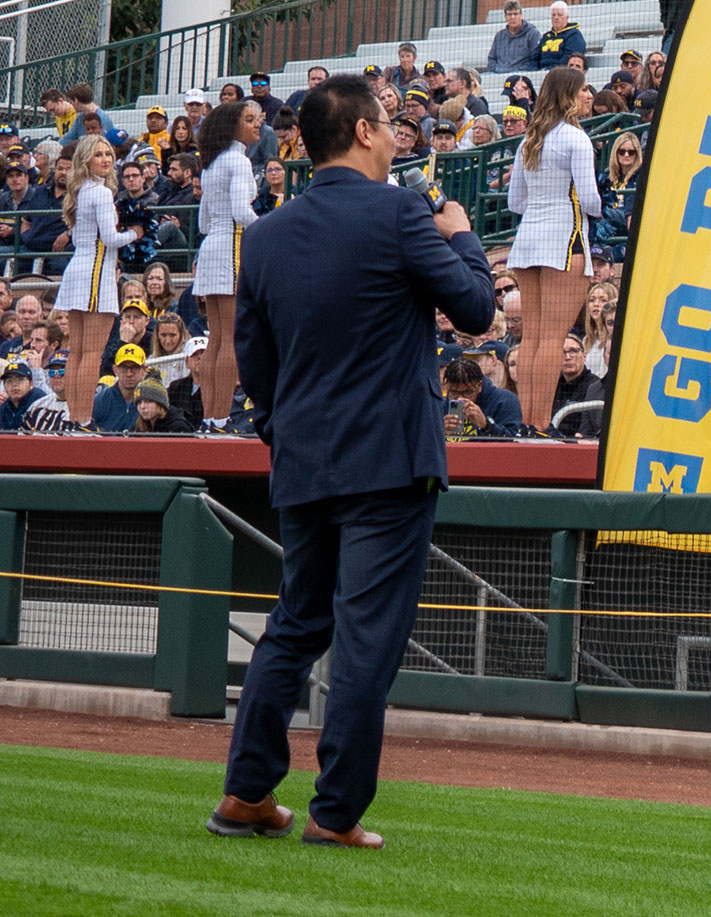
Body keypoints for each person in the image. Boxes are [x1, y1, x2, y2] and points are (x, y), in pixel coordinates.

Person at [215, 72, 494, 848]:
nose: (394, 131)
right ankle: (334, 812)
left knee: (296, 623)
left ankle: (245, 793)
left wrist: (287, 433)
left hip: (304, 463)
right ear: (365, 132)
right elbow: (476, 308)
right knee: (365, 638)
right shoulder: (404, 212)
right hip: (389, 466)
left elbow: (255, 364)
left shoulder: (265, 234)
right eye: (386, 121)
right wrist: (462, 233)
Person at [505, 67, 600, 433]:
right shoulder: (576, 139)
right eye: (583, 90)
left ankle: (527, 422)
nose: (587, 96)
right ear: (569, 95)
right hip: (564, 238)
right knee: (552, 338)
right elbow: (590, 200)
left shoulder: (530, 137)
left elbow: (516, 201)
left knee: (531, 336)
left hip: (528, 240)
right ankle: (542, 424)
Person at [55, 134, 136, 430]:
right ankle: (84, 418)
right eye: (99, 154)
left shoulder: (81, 190)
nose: (106, 159)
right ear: (85, 160)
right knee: (91, 352)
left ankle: (74, 418)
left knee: (76, 350)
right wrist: (136, 233)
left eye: (109, 155)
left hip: (79, 267)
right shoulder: (100, 193)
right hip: (95, 273)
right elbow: (111, 238)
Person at [193, 98, 263, 429]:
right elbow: (241, 212)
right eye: (249, 119)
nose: (257, 123)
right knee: (232, 338)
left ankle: (210, 418)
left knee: (216, 337)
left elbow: (203, 221)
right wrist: (270, 227)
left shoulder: (212, 163)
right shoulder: (237, 161)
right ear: (233, 125)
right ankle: (220, 420)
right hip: (232, 246)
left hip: (212, 246)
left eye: (258, 118)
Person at [533, 1, 586, 70]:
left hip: (561, 73)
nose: (556, 17)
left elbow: (570, 58)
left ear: (566, 17)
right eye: (553, 15)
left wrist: (552, 70)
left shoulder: (574, 35)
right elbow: (535, 58)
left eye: (559, 15)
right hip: (541, 72)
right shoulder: (546, 36)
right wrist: (533, 70)